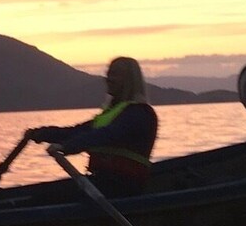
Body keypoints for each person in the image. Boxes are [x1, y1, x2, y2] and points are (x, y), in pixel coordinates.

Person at [26, 57, 159, 198]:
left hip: (123, 186)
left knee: (50, 198)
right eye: (108, 73)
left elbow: (107, 134)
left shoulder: (140, 113)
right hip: (102, 181)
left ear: (129, 79)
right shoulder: (113, 114)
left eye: (115, 74)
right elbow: (76, 132)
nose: (108, 78)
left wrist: (67, 147)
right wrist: (41, 133)